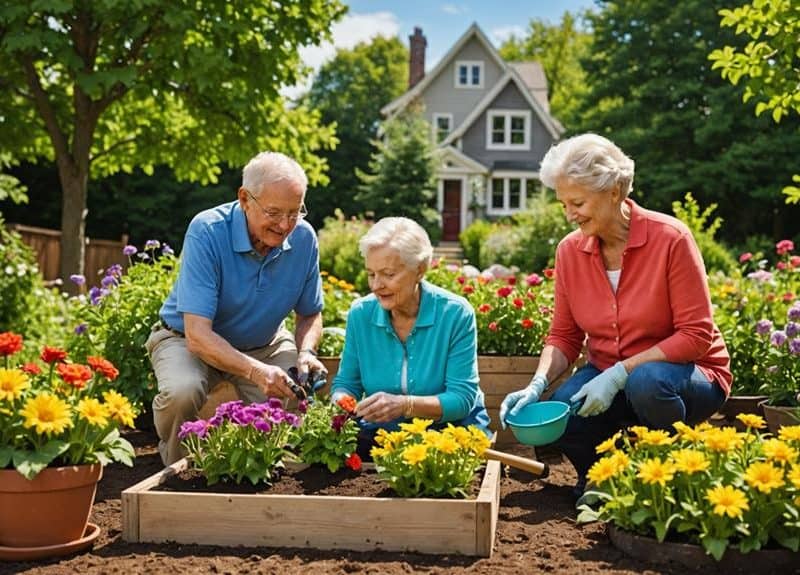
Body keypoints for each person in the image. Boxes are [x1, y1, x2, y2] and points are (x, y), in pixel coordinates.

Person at [499, 133, 731, 497]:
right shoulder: (570, 252)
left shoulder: (671, 238)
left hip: (686, 378)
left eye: (577, 202)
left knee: (646, 381)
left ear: (613, 191)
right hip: (607, 374)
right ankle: (601, 479)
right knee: (563, 410)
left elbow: (696, 336)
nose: (569, 214)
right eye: (563, 204)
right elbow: (564, 336)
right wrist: (537, 384)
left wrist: (622, 373)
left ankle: (669, 476)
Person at [146, 151, 325, 465]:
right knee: (182, 390)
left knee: (290, 393)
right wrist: (255, 372)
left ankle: (264, 473)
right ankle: (175, 476)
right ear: (244, 198)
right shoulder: (207, 231)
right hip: (188, 340)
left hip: (264, 344)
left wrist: (307, 352)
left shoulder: (304, 239)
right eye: (274, 212)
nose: (285, 225)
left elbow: (310, 312)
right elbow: (198, 335)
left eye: (295, 212)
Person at [330, 217, 490, 456]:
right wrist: (342, 400)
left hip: (451, 431)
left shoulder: (455, 313)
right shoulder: (361, 314)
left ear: (420, 270)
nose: (376, 285)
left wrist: (405, 406)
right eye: (371, 274)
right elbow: (347, 384)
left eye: (388, 274)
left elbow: (461, 399)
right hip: (385, 434)